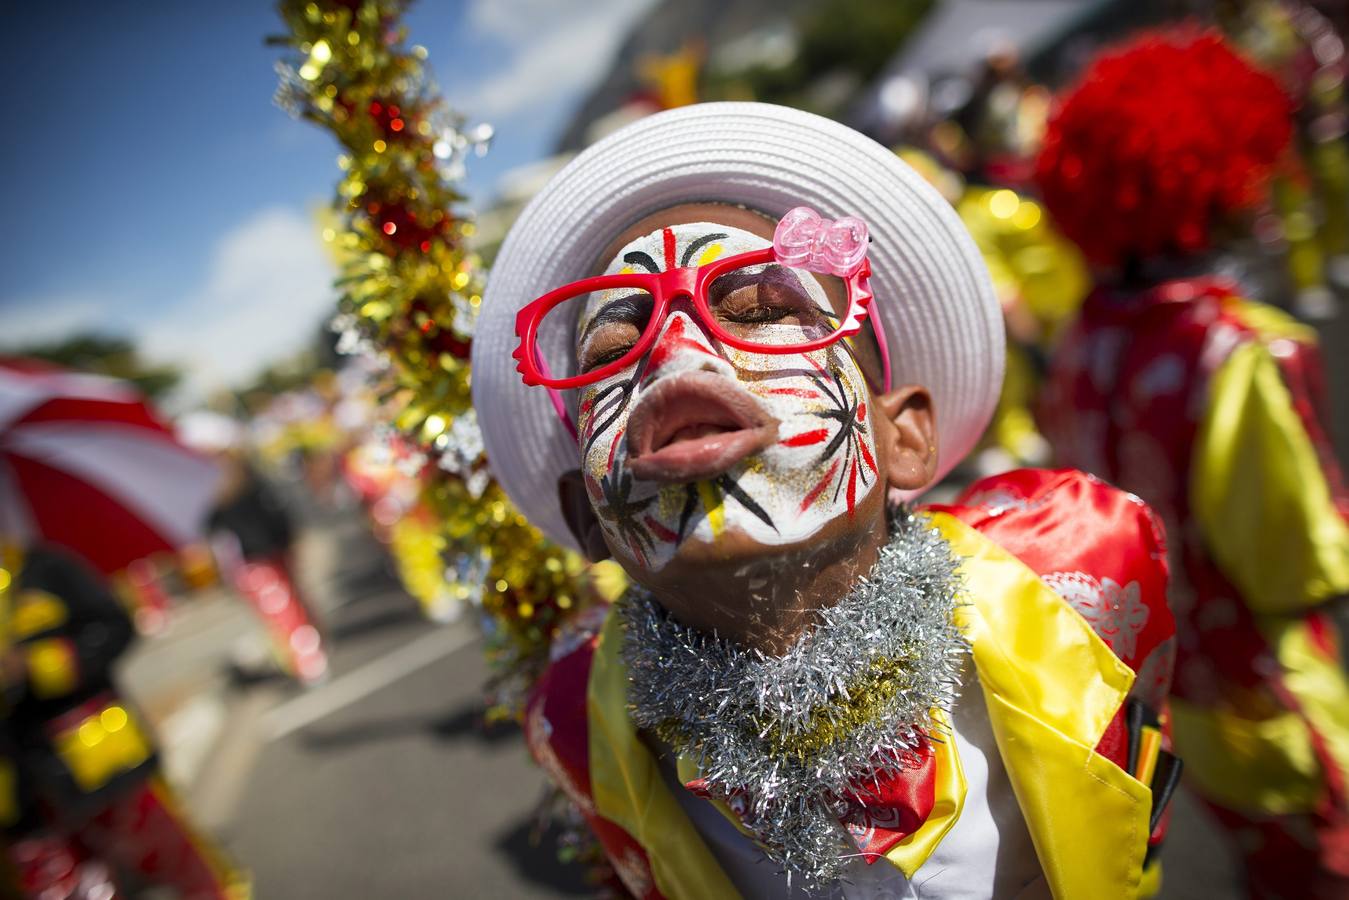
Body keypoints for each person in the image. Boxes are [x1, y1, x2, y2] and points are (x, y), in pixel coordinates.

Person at [471, 102, 1180, 898]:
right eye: (610, 352)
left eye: (757, 312)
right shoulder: (578, 724)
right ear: (587, 518)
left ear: (901, 437)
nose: (676, 358)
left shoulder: (1080, 575)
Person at [1035, 29, 1349, 898]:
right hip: (1270, 692)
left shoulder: (1083, 342)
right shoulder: (1238, 351)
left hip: (1170, 700)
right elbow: (1292, 565)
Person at [1, 542, 248, 898]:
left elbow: (113, 625)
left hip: (106, 766)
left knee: (187, 869)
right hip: (24, 805)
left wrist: (36, 665)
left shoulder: (44, 569)